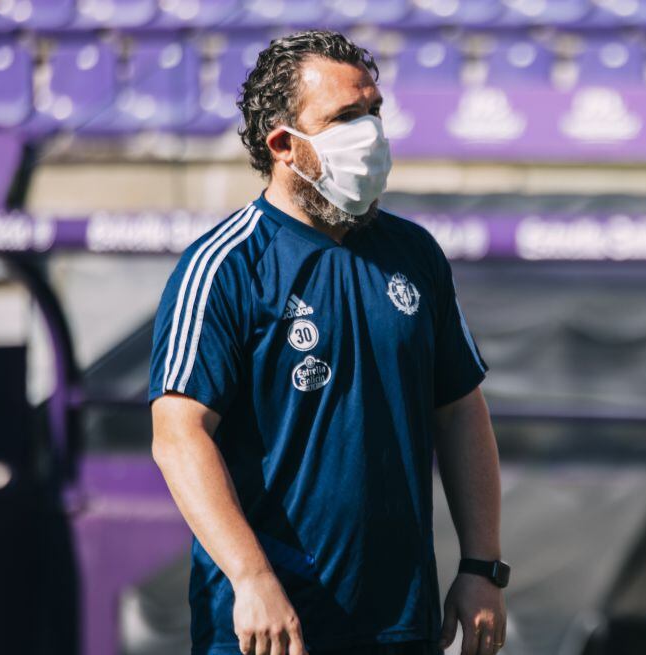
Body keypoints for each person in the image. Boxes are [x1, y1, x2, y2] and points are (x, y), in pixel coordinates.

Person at [149, 31, 508, 655]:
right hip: (269, 629)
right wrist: (251, 577)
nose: (369, 132)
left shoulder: (415, 253)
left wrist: (482, 568)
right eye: (345, 117)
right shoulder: (224, 267)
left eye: (373, 112)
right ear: (284, 145)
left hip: (401, 625)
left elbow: (459, 410)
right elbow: (178, 436)